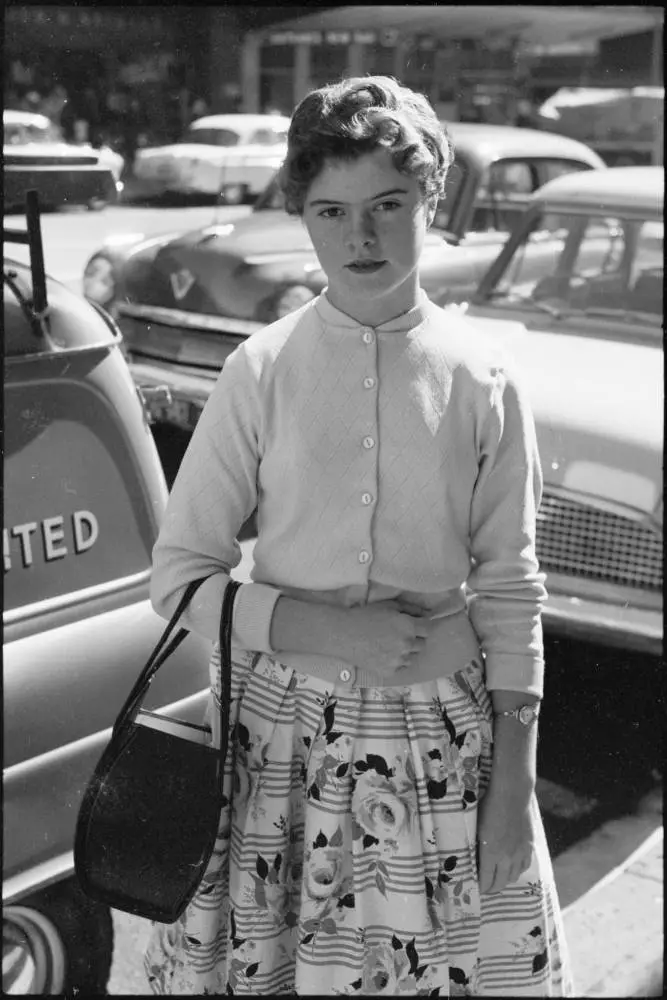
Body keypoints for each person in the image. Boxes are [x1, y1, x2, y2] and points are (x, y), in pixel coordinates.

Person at [144, 75, 573, 996]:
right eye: (331, 211)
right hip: (278, 753)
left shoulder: (486, 376)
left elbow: (510, 586)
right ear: (302, 215)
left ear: (431, 200)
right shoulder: (258, 370)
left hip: (449, 754)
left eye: (387, 204)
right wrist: (324, 629)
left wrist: (514, 786)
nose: (360, 237)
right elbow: (179, 579)